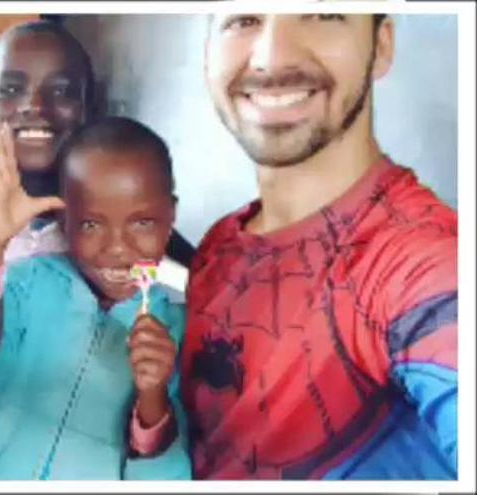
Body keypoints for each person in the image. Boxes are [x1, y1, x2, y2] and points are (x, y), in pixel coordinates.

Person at [174, 14, 457, 479]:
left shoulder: (426, 256)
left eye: (323, 13)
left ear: (381, 45)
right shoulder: (219, 243)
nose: (270, 57)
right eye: (243, 19)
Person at [0, 116, 193, 479]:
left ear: (170, 216)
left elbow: (164, 479)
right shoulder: (26, 285)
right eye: (91, 224)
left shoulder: (180, 330)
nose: (117, 249)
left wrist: (153, 400)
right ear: (64, 220)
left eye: (142, 222)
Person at [0, 19, 196, 267]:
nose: (35, 105)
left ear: (91, 108)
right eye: (11, 90)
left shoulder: (126, 209)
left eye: (60, 91)